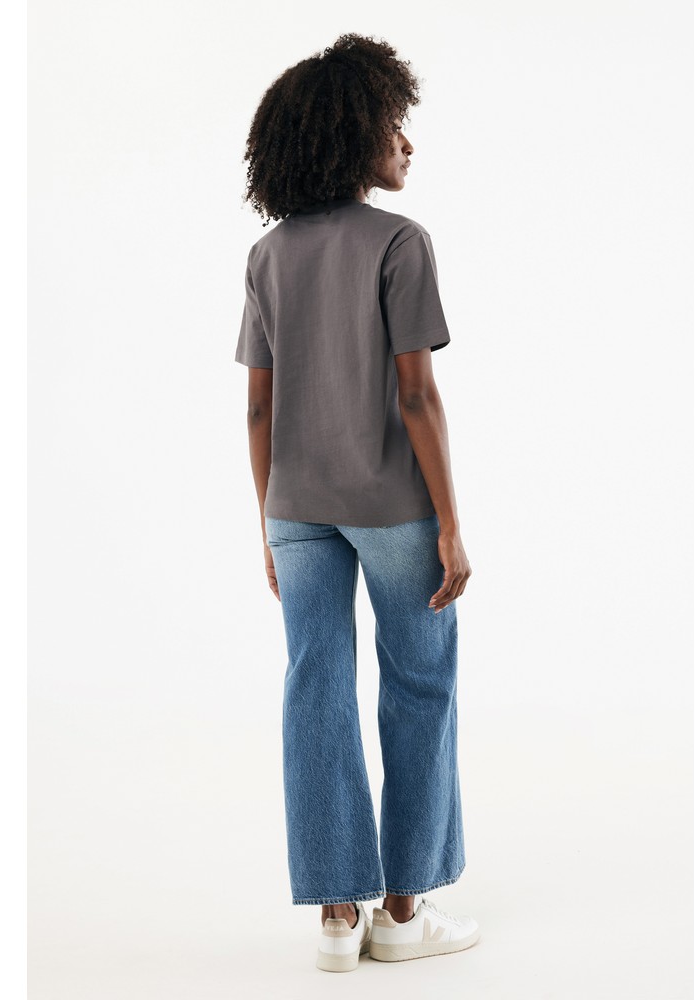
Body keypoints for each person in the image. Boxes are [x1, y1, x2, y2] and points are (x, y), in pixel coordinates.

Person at [235, 33, 481, 973]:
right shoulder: (400, 243)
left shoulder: (267, 255)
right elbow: (417, 396)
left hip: (295, 507)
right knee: (419, 686)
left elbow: (258, 407)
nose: (407, 143)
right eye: (393, 125)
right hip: (391, 508)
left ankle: (338, 917)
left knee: (315, 687)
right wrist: (450, 524)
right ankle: (404, 912)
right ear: (351, 136)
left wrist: (269, 522)